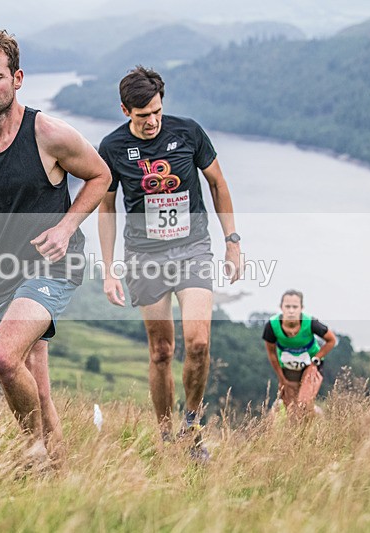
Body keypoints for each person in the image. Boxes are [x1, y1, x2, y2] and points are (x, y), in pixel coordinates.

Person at [0, 26, 111, 466]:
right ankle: (60, 480)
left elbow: (100, 176)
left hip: (52, 266)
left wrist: (67, 228)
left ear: (18, 78)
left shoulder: (48, 134)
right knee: (39, 388)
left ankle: (33, 453)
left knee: (5, 359)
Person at [97, 66, 241, 460]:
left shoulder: (188, 132)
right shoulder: (111, 148)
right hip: (144, 256)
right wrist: (109, 269)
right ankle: (164, 437)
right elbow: (105, 209)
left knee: (198, 342)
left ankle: (192, 429)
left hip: (192, 248)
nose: (152, 121)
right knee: (161, 350)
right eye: (143, 116)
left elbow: (217, 183)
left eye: (157, 111)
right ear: (126, 110)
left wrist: (232, 242)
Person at [263, 289, 336, 416]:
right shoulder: (272, 326)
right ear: (281, 307)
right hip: (287, 367)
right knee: (290, 408)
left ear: (301, 308)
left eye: (295, 307)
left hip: (311, 365)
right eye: (288, 306)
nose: (291, 310)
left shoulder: (311, 323)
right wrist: (281, 378)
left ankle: (318, 415)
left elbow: (331, 340)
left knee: (303, 404)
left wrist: (316, 359)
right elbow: (272, 353)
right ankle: (296, 433)